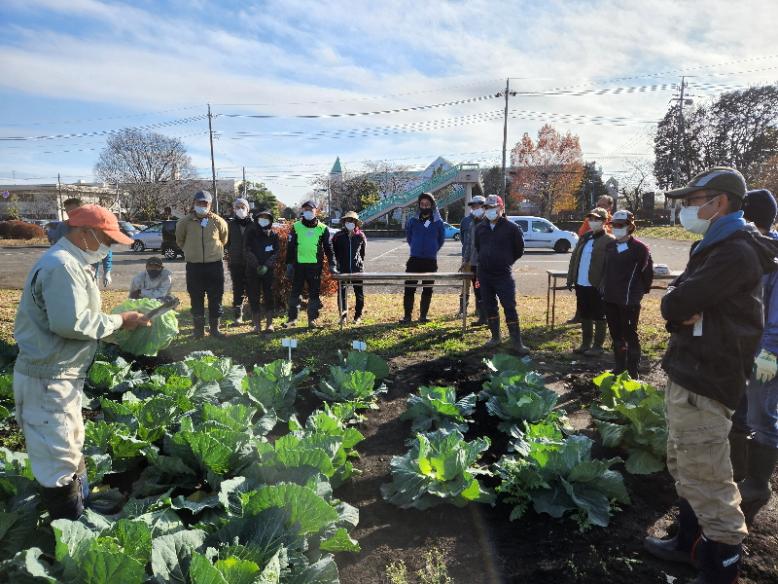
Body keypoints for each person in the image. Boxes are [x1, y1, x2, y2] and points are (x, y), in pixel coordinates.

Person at [644, 168, 778, 584]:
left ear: (718, 202)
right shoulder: (714, 245)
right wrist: (677, 306)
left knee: (709, 476)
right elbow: (677, 299)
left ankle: (721, 570)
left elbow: (676, 302)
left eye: (692, 199)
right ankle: (687, 544)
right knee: (686, 463)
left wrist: (677, 306)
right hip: (690, 371)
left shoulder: (734, 252)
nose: (686, 208)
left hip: (707, 378)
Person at [13, 204, 150, 519]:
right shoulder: (62, 265)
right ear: (86, 232)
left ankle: (82, 506)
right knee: (57, 460)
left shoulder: (73, 262)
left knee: (70, 445)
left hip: (60, 376)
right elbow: (71, 324)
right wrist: (119, 321)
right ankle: (70, 531)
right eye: (107, 239)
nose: (110, 246)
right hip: (48, 378)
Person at [730, 188, 778, 525]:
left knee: (764, 413)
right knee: (743, 410)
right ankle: (741, 471)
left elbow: (775, 315)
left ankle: (759, 484)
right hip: (746, 347)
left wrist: (770, 354)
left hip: (767, 354)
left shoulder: (773, 254)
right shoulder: (751, 250)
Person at [601, 210, 653, 378]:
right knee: (616, 334)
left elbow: (647, 274)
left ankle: (632, 371)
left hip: (629, 300)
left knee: (630, 335)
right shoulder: (610, 246)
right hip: (610, 298)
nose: (616, 228)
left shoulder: (640, 249)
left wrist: (637, 294)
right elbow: (606, 271)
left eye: (620, 225)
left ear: (630, 226)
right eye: (613, 225)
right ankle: (619, 366)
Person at [474, 195, 529, 354]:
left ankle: (516, 342)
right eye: (487, 208)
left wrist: (505, 261)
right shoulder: (480, 228)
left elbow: (519, 250)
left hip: (503, 275)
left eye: (494, 208)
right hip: (484, 274)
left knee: (509, 306)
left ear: (501, 208)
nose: (491, 211)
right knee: (489, 306)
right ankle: (495, 337)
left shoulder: (512, 228)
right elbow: (478, 247)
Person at [175, 190, 229, 339]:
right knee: (196, 297)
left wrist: (212, 252)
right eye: (199, 202)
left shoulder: (219, 222)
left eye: (205, 203)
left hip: (214, 266)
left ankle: (215, 330)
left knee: (216, 297)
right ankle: (198, 332)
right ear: (194, 203)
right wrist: (190, 250)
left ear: (210, 205)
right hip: (194, 267)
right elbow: (180, 240)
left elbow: (224, 240)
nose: (202, 205)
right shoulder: (184, 222)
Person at [567, 207, 614, 356]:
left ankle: (598, 346)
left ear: (605, 221)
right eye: (591, 219)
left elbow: (611, 265)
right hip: (581, 283)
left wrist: (605, 283)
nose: (593, 222)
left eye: (597, 219)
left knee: (599, 315)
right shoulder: (585, 237)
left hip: (597, 285)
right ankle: (585, 344)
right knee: (585, 313)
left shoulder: (609, 240)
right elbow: (575, 257)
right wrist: (570, 278)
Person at [284, 200, 336, 329]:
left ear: (316, 211)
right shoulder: (296, 226)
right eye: (305, 210)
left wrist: (332, 264)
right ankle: (291, 319)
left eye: (310, 210)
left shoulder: (323, 228)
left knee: (314, 293)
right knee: (295, 293)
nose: (308, 212)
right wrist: (289, 264)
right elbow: (290, 247)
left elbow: (328, 248)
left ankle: (312, 320)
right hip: (298, 266)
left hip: (315, 267)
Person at [400, 192, 445, 324]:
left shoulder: (438, 222)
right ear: (419, 205)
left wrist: (432, 249)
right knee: (409, 288)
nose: (424, 206)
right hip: (414, 259)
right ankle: (407, 316)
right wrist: (416, 247)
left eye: (427, 204)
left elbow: (441, 240)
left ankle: (423, 316)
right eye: (422, 204)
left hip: (430, 261)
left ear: (432, 205)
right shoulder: (412, 221)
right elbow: (409, 238)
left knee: (428, 288)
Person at [50, 197, 113, 288]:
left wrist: (107, 272)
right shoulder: (62, 227)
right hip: (68, 274)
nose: (71, 215)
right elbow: (55, 250)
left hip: (90, 274)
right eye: (68, 212)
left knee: (92, 300)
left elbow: (106, 251)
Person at [244, 208, 279, 333]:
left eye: (266, 218)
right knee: (254, 296)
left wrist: (267, 266)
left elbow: (276, 252)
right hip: (253, 271)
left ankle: (269, 324)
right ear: (257, 220)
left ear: (270, 221)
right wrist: (257, 265)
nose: (264, 221)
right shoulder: (251, 233)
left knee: (269, 296)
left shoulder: (274, 235)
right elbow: (247, 251)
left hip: (268, 271)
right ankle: (256, 325)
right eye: (261, 218)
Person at [332, 211, 367, 325]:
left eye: (352, 221)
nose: (350, 222)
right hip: (343, 270)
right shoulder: (338, 236)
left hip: (357, 270)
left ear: (356, 222)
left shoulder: (360, 236)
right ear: (344, 222)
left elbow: (362, 253)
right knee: (342, 294)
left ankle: (358, 316)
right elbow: (334, 251)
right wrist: (338, 264)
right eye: (348, 220)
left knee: (359, 294)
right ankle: (343, 316)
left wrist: (359, 263)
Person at [459, 195, 487, 326]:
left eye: (479, 205)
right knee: (474, 287)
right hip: (472, 263)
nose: (476, 208)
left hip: (486, 264)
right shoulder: (469, 222)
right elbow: (467, 242)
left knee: (485, 289)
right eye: (473, 206)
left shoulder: (489, 222)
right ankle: (468, 311)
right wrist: (465, 259)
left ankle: (486, 315)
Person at [226, 198, 252, 326]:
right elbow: (226, 242)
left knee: (253, 289)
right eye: (238, 207)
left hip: (252, 263)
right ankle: (238, 317)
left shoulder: (254, 225)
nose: (240, 209)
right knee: (238, 289)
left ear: (248, 209)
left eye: (243, 207)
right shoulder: (230, 225)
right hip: (236, 262)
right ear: (234, 209)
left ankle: (254, 316)